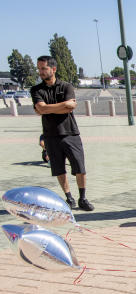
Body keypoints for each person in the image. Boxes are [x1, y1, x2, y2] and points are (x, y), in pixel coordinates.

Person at [31, 55, 94, 211]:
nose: (41, 72)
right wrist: (62, 106)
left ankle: (83, 198)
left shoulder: (66, 86)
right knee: (59, 169)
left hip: (70, 133)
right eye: (39, 68)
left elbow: (69, 107)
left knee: (80, 167)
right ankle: (69, 197)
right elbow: (41, 108)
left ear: (53, 69)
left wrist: (47, 108)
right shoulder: (36, 90)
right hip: (51, 135)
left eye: (44, 68)